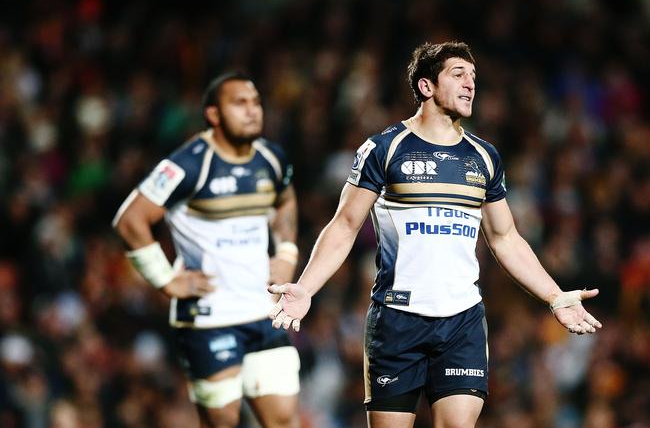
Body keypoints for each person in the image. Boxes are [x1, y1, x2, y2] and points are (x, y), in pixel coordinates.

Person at [268, 42, 602, 428]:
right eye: (458, 75)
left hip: (462, 320)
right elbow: (344, 225)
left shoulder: (484, 157)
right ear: (427, 87)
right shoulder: (385, 149)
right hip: (397, 320)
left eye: (474, 77)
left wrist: (555, 295)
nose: (470, 84)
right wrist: (307, 287)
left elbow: (506, 237)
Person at [113, 72, 301, 428]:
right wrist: (166, 281)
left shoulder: (272, 158)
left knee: (284, 421)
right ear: (214, 114)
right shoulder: (187, 164)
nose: (252, 111)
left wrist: (286, 253)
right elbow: (130, 220)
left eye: (256, 102)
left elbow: (286, 201)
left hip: (263, 311)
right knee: (222, 423)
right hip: (209, 318)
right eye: (239, 103)